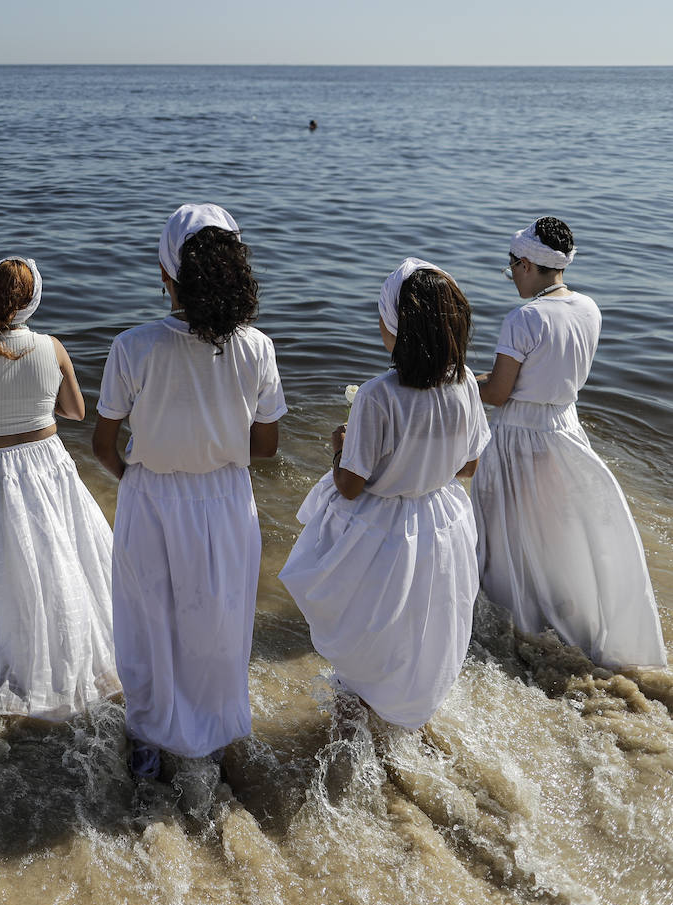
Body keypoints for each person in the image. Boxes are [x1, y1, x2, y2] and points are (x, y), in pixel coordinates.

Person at [92, 204, 286, 778]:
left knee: (149, 621)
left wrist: (142, 477)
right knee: (220, 620)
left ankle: (151, 739)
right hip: (227, 499)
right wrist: (215, 454)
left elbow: (104, 444)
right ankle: (217, 730)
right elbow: (268, 446)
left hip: (150, 496)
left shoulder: (134, 346)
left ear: (166, 274)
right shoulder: (257, 348)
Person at [279, 259, 491, 729]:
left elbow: (351, 486)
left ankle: (354, 729)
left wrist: (339, 446)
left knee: (367, 635)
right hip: (440, 524)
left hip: (382, 535)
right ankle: (405, 716)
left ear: (396, 327)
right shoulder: (464, 385)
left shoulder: (379, 395)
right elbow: (470, 465)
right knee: (421, 628)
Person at [473, 218, 666, 669]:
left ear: (525, 264)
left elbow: (499, 393)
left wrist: (454, 378)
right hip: (567, 432)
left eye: (511, 268)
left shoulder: (524, 318)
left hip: (521, 438)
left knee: (509, 538)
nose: (512, 277)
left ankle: (517, 629)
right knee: (557, 536)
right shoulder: (589, 308)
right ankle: (572, 624)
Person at [0, 256, 119, 720]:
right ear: (33, 301)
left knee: (8, 561)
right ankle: (71, 650)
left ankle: (20, 652)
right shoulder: (52, 347)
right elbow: (76, 412)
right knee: (61, 555)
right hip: (46, 462)